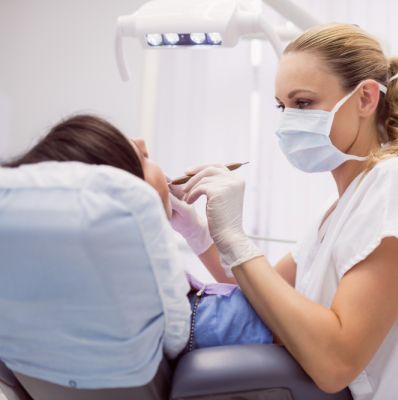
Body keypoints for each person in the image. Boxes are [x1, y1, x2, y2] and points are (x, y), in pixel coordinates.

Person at [173, 23, 398, 399]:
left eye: (303, 103)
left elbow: (336, 362)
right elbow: (264, 294)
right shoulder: (341, 208)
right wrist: (200, 232)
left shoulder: (397, 182)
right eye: (281, 106)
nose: (287, 121)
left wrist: (235, 237)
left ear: (366, 99)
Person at [1, 114, 272, 354]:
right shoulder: (211, 319)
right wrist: (232, 239)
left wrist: (200, 238)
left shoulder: (48, 325)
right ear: (135, 200)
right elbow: (286, 318)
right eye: (143, 158)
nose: (143, 142)